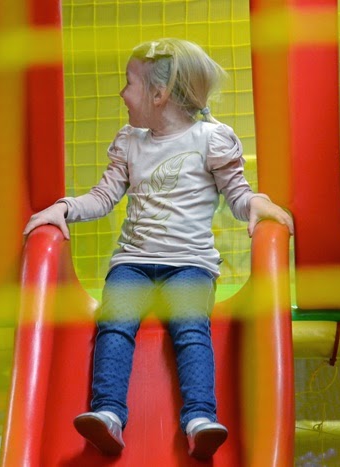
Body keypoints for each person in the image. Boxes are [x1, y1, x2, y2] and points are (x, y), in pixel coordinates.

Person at [23, 38, 294, 460]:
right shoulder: (130, 142)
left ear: (158, 94)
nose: (122, 93)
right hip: (132, 262)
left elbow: (237, 196)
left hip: (190, 264)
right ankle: (108, 413)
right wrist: (64, 208)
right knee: (115, 323)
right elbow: (103, 197)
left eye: (129, 83)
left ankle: (199, 419)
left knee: (190, 327)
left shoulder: (210, 139)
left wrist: (257, 203)